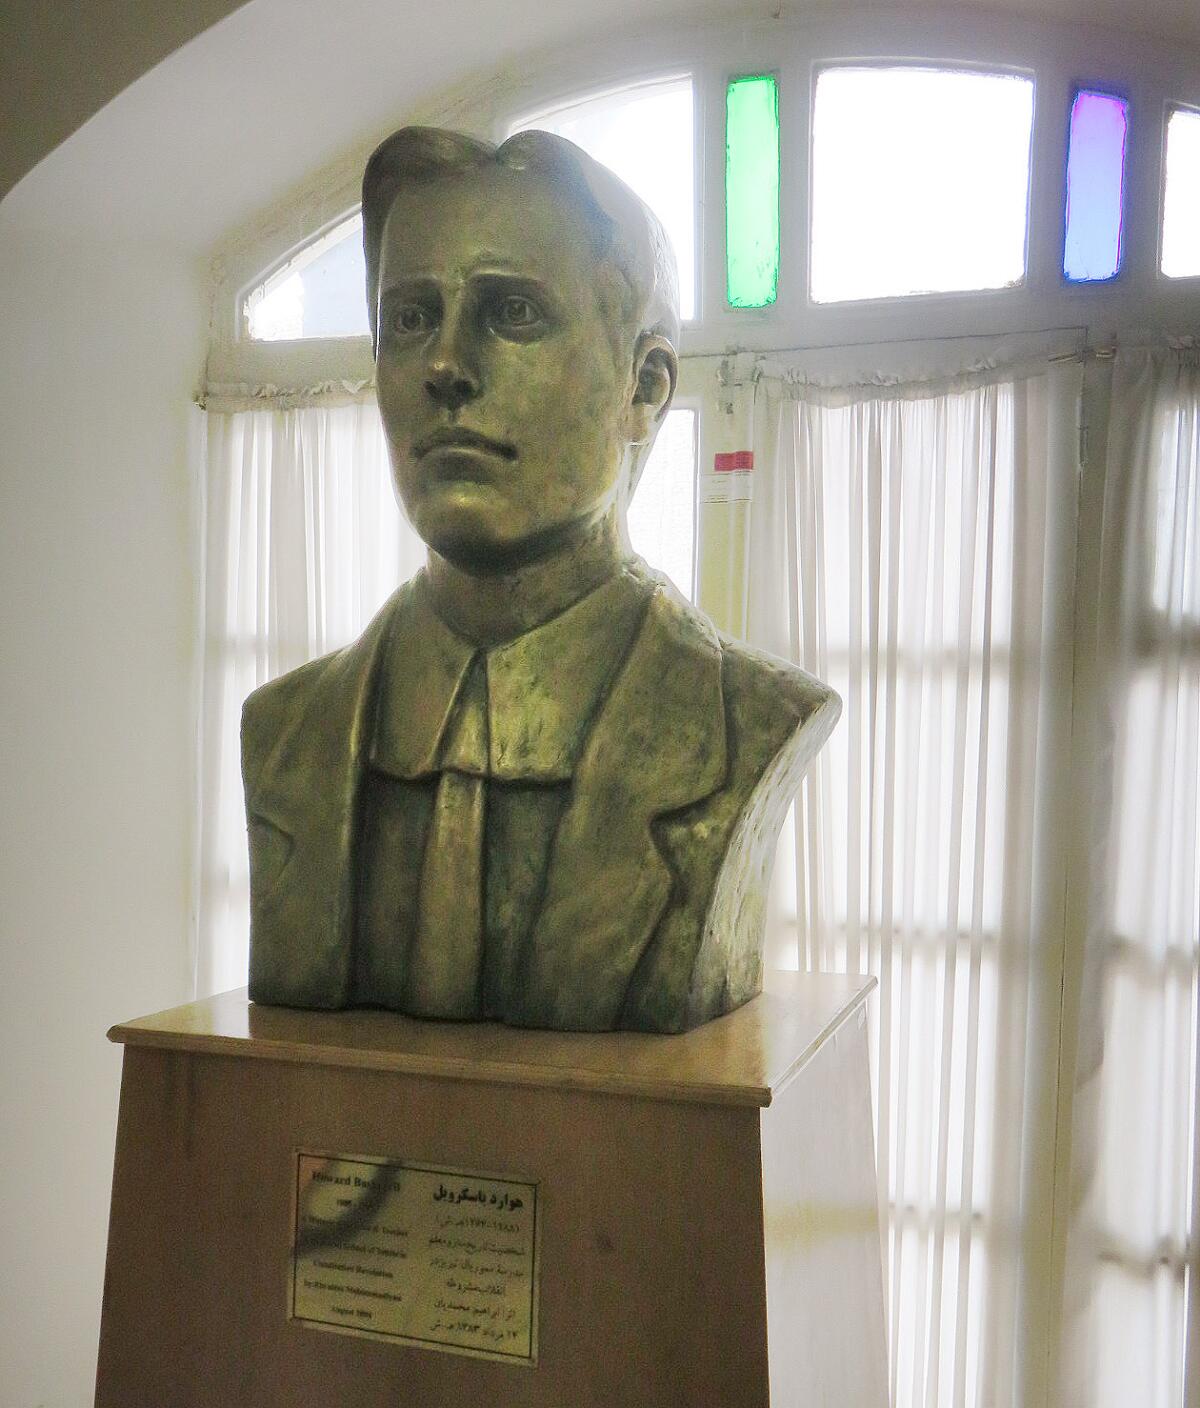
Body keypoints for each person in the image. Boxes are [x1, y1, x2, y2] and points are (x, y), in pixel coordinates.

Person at [241, 126, 839, 1033]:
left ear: (644, 388)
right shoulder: (288, 737)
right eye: (409, 319)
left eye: (510, 312)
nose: (444, 366)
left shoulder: (750, 722)